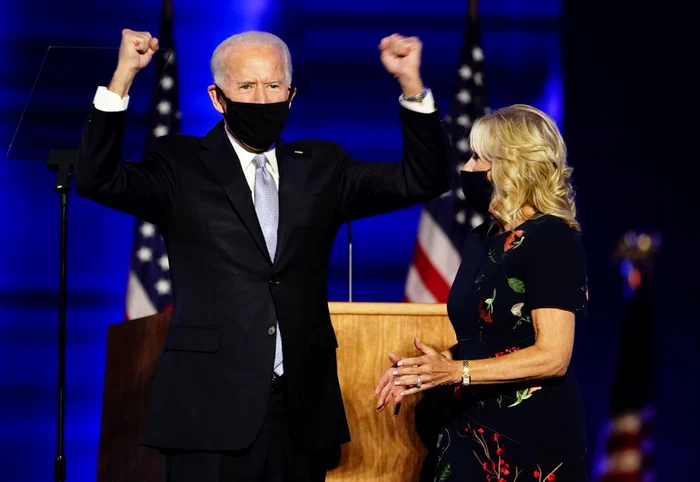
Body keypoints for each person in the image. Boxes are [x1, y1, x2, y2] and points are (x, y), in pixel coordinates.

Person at [75, 28, 450, 481]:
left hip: (300, 411)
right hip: (208, 410)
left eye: (273, 86)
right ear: (218, 97)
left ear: (291, 95)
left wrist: (410, 82)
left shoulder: (321, 166)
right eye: (247, 87)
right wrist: (123, 77)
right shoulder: (181, 164)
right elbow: (97, 179)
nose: (261, 98)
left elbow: (423, 179)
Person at [376, 104, 589, 481]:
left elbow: (554, 355)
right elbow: (487, 337)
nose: (468, 169)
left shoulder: (552, 237)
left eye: (478, 158)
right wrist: (429, 367)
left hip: (529, 438)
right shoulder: (482, 239)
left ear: (511, 168)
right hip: (466, 427)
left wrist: (457, 371)